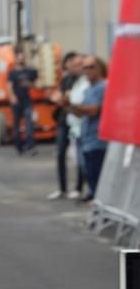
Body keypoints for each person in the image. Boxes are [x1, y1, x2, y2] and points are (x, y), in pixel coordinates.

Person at [67, 56, 108, 202]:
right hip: (87, 139)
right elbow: (80, 113)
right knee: (90, 176)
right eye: (85, 68)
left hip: (99, 141)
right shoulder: (88, 89)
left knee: (98, 179)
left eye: (91, 67)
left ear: (100, 68)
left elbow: (94, 110)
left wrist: (73, 105)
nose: (87, 71)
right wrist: (67, 105)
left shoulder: (103, 86)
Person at [47, 52, 82, 199]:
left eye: (75, 63)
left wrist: (62, 99)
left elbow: (67, 99)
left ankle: (78, 188)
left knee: (80, 156)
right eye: (69, 63)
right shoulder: (65, 79)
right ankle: (62, 188)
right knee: (60, 153)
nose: (72, 66)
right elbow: (62, 97)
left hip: (77, 120)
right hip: (64, 120)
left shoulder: (82, 81)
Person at [8, 50, 38, 156]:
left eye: (23, 57)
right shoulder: (12, 72)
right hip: (17, 102)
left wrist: (29, 84)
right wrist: (12, 96)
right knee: (16, 125)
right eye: (19, 57)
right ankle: (19, 147)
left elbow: (35, 84)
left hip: (26, 101)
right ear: (16, 59)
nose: (21, 59)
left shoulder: (29, 72)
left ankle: (30, 146)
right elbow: (10, 86)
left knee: (29, 124)